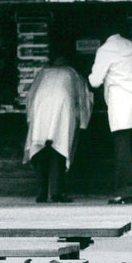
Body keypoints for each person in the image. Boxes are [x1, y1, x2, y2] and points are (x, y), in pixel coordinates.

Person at [88, 30, 132, 204]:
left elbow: (94, 81)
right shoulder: (130, 46)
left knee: (122, 150)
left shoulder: (105, 50)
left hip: (121, 104)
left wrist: (92, 75)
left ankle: (125, 192)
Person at [23, 57, 93, 203]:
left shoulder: (43, 72)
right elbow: (83, 98)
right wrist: (83, 122)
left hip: (40, 108)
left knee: (39, 147)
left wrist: (30, 118)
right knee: (58, 147)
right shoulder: (73, 73)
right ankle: (56, 192)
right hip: (62, 108)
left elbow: (30, 96)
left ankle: (42, 192)